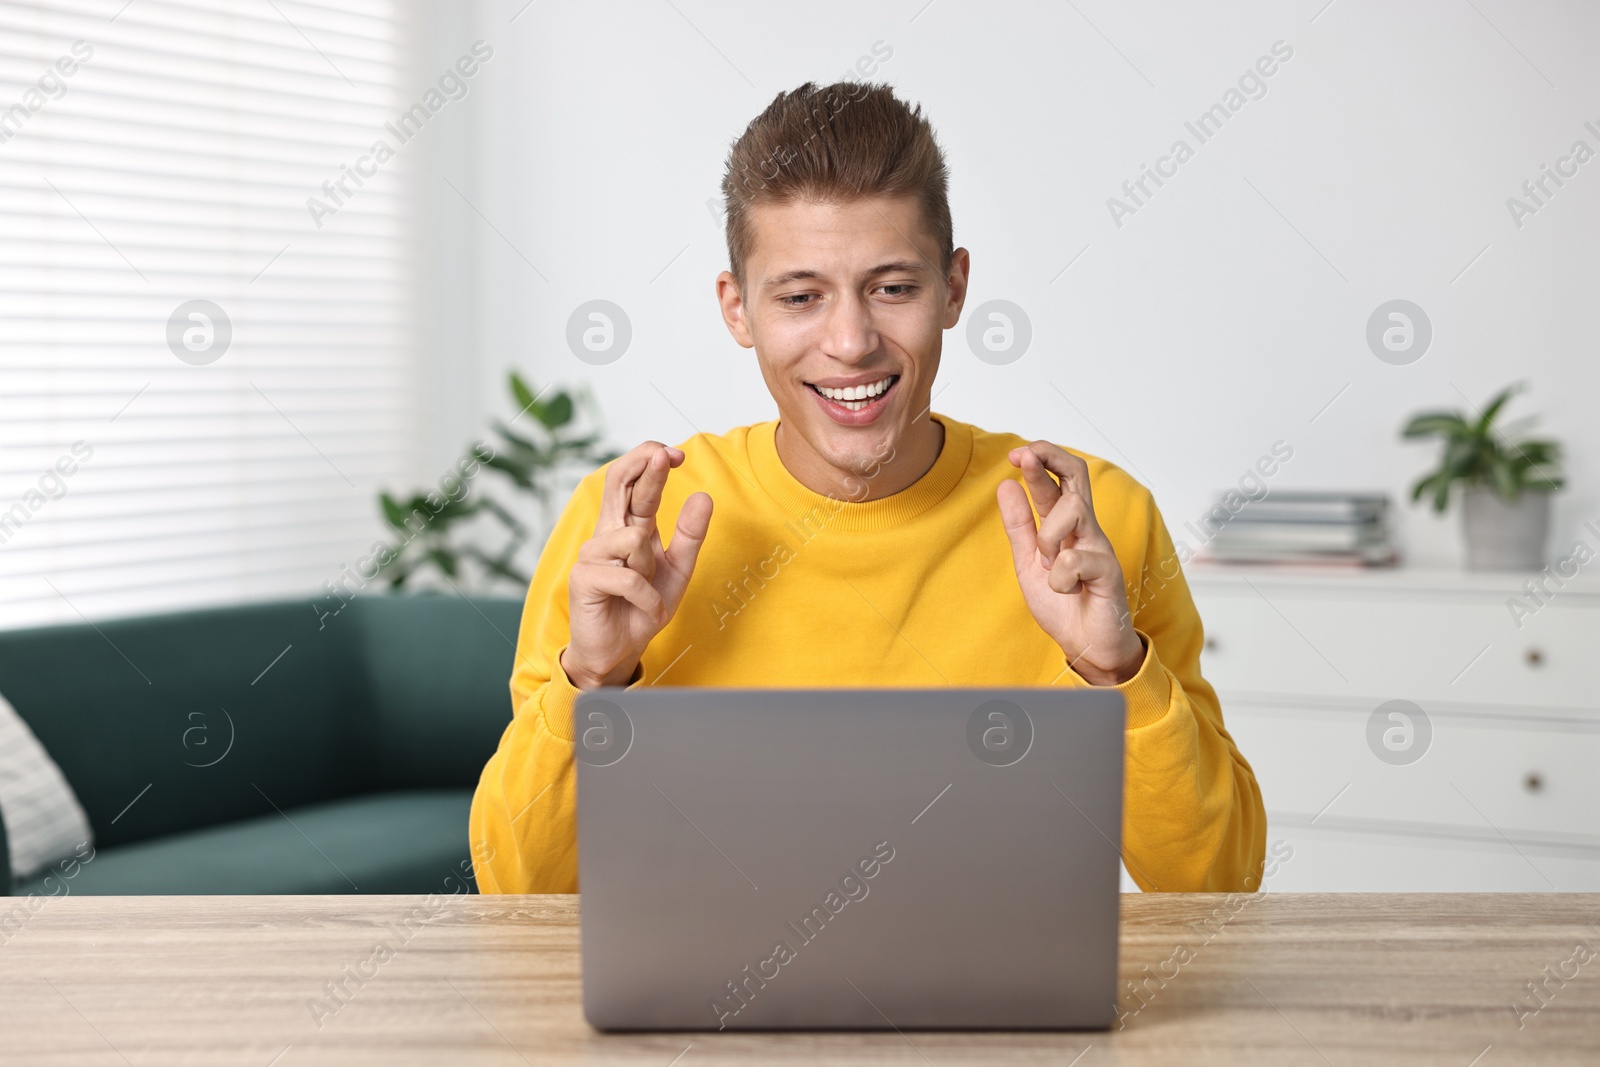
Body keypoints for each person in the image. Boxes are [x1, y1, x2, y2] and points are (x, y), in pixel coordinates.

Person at [470, 80, 1265, 894]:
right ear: (737, 309)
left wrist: (1115, 671)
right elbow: (516, 887)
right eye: (800, 296)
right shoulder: (633, 526)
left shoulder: (1089, 523)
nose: (850, 342)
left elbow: (1218, 885)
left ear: (953, 289)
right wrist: (593, 684)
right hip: (703, 1019)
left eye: (893, 288)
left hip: (1001, 1019)